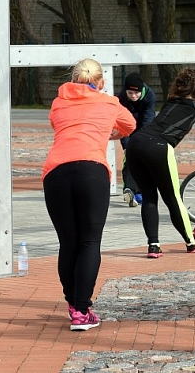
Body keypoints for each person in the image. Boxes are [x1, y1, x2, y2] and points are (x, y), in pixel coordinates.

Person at [42, 59, 135, 332]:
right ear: (101, 81)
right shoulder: (109, 102)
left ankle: (74, 305)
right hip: (91, 171)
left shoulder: (59, 102)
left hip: (56, 172)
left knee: (67, 242)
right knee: (89, 242)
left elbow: (57, 126)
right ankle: (82, 310)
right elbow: (130, 125)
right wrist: (106, 133)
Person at [125, 67, 195, 259]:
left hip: (135, 143)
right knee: (173, 199)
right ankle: (191, 241)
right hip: (159, 147)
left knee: (149, 198)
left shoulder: (171, 101)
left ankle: (153, 246)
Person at [117, 72, 156, 207]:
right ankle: (129, 190)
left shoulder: (150, 96)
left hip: (144, 129)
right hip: (127, 127)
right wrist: (127, 145)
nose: (133, 96)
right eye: (130, 93)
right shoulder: (121, 98)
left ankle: (141, 191)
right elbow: (121, 123)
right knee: (129, 158)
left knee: (144, 160)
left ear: (142, 90)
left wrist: (140, 143)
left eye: (136, 93)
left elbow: (148, 120)